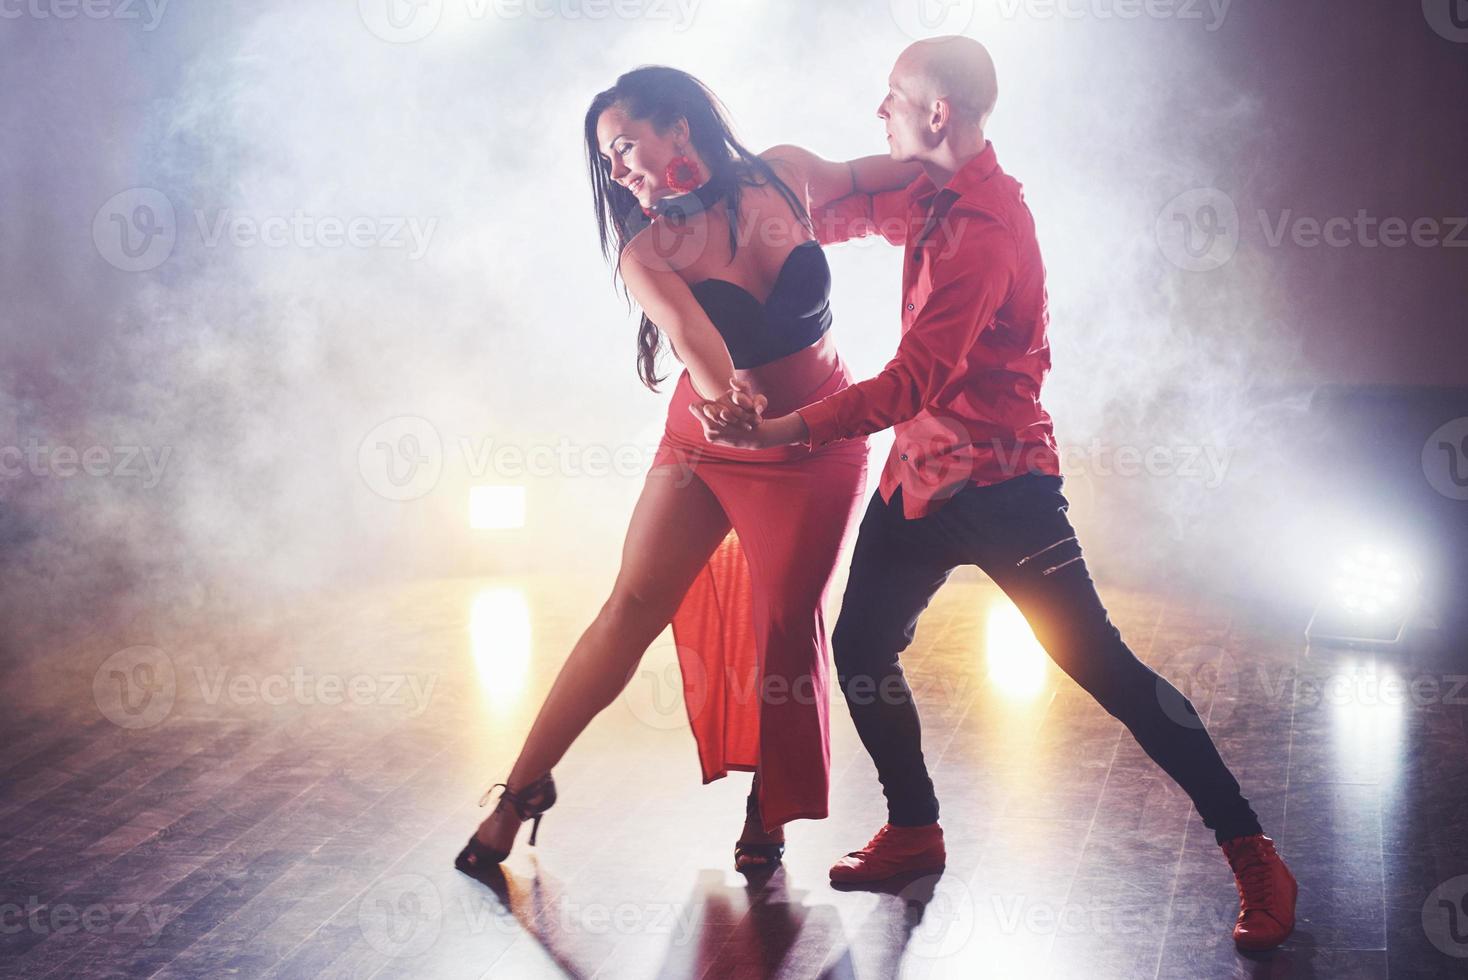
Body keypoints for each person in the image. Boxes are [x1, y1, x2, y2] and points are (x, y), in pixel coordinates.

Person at [700, 36, 1299, 951]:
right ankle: (914, 827)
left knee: (1109, 673)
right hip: (918, 482)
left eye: (892, 95)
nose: (880, 108)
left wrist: (784, 430)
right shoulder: (933, 191)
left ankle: (1252, 849)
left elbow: (911, 380)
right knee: (861, 646)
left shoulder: (984, 232)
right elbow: (851, 205)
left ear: (936, 112)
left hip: (1005, 486)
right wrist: (773, 193)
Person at [455, 65, 922, 878]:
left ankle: (766, 806)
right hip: (707, 444)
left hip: (815, 447)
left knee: (786, 627)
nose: (617, 168)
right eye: (606, 159)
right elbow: (697, 346)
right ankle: (519, 791)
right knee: (629, 606)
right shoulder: (646, 249)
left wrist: (970, 171)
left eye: (624, 144)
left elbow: (896, 174)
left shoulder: (787, 171)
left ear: (679, 127)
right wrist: (728, 400)